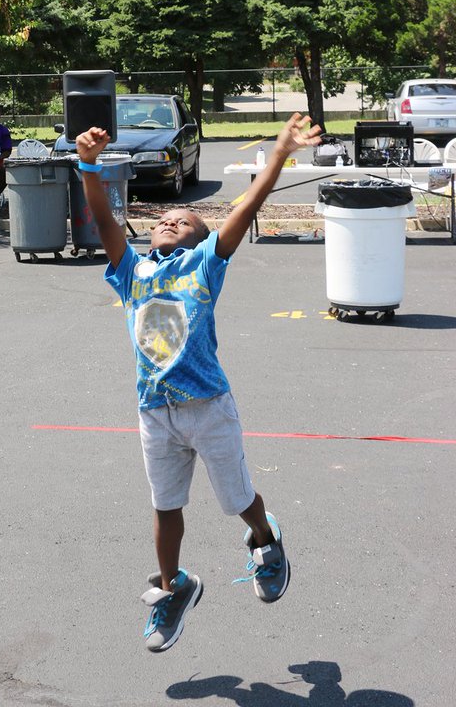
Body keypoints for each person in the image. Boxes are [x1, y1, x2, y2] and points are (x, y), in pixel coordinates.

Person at [76, 113, 321, 654]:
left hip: (209, 406)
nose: (168, 221)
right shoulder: (131, 272)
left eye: (183, 220)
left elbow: (244, 209)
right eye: (163, 217)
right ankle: (174, 587)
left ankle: (265, 539)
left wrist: (279, 154)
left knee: (237, 499)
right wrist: (88, 165)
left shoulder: (205, 264)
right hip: (155, 410)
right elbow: (104, 220)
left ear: (200, 238)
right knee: (166, 506)